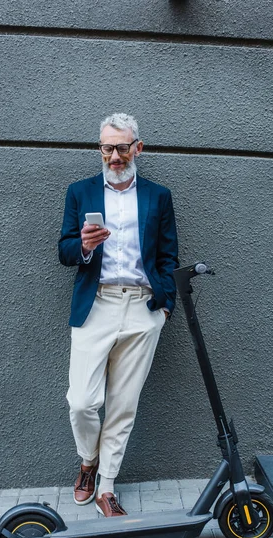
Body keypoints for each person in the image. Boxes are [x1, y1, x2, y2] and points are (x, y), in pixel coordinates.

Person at [58, 113, 179, 517]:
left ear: (137, 148)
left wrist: (164, 307)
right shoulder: (80, 192)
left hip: (143, 308)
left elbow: (167, 255)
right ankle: (87, 462)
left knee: (123, 404)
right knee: (82, 402)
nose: (113, 156)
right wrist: (85, 246)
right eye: (107, 148)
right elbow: (64, 250)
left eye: (121, 147)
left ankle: (105, 487)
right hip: (97, 305)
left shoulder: (158, 196)